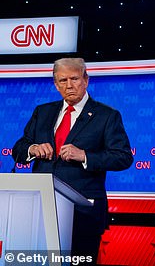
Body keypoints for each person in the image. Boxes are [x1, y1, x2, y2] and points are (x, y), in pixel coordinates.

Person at [12, 57, 133, 264]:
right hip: (40, 210)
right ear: (55, 84)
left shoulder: (107, 116)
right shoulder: (43, 112)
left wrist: (84, 156)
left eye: (75, 79)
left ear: (86, 80)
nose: (69, 86)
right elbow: (18, 148)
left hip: (83, 213)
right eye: (62, 80)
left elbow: (123, 157)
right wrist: (33, 149)